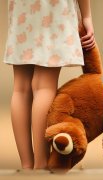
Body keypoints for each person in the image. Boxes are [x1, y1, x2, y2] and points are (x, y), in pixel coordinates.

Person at [3, 0, 95, 170]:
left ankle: (26, 165)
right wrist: (87, 16)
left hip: (22, 7)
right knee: (44, 87)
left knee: (20, 88)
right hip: (55, 8)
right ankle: (41, 163)